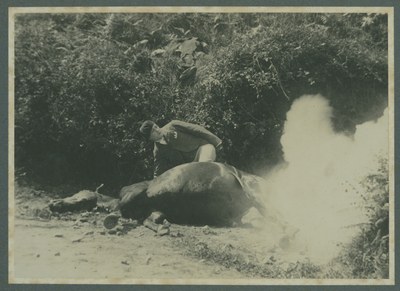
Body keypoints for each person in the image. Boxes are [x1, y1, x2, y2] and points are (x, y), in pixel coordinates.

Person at [140, 120, 222, 178]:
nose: (157, 130)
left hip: (202, 148)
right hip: (189, 166)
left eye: (156, 127)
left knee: (202, 169)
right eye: (153, 131)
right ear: (150, 138)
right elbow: (158, 169)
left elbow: (196, 129)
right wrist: (155, 183)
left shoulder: (173, 125)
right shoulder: (157, 151)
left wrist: (216, 141)